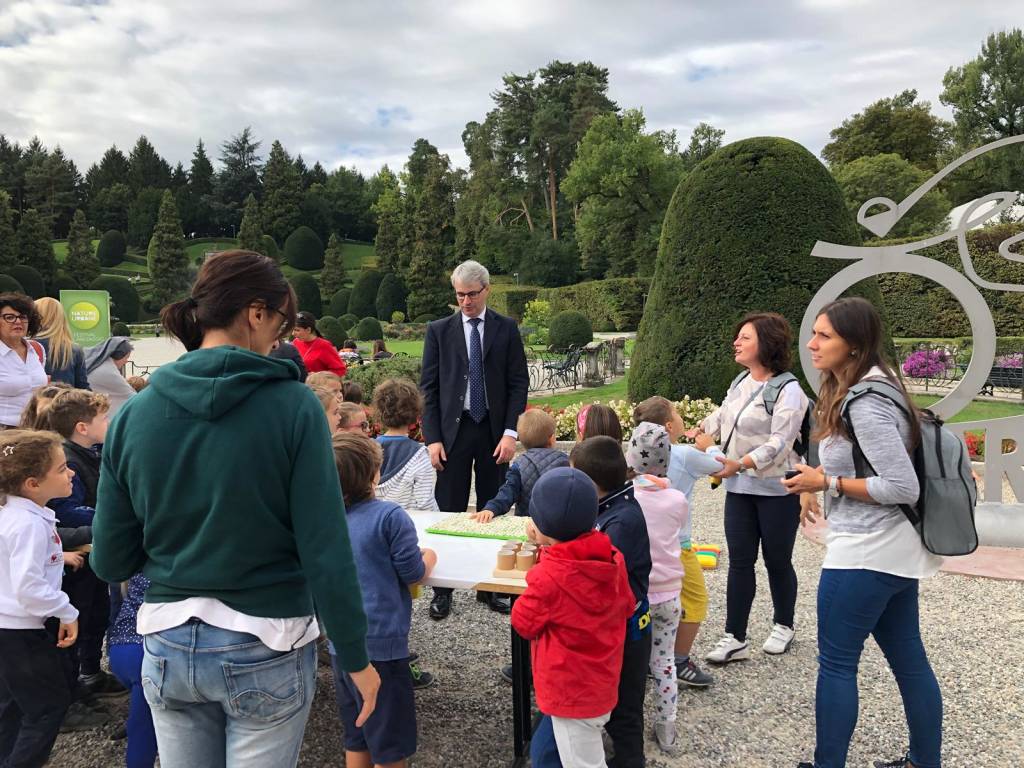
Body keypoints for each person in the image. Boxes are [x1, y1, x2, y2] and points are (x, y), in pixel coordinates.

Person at [90, 250, 379, 768]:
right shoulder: (294, 408)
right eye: (283, 324)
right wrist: (356, 657)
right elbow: (325, 546)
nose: (283, 339)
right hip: (266, 639)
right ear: (256, 312)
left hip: (167, 640)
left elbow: (110, 560)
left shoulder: (134, 414)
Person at [786, 297, 943, 768]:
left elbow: (900, 486)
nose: (811, 344)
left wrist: (825, 482)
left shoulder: (866, 404)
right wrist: (818, 478)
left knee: (836, 665)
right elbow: (864, 460)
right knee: (909, 659)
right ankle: (924, 761)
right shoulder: (879, 385)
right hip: (895, 550)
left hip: (864, 554)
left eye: (824, 336)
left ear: (854, 346)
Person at [419, 260, 528, 620]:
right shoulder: (439, 330)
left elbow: (517, 383)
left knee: (492, 507)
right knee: (449, 508)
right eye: (459, 295)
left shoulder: (506, 329)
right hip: (454, 430)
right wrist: (432, 438)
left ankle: (490, 586)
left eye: (471, 294)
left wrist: (511, 432)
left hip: (494, 432)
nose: (465, 301)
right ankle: (443, 589)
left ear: (487, 290)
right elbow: (429, 389)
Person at [697, 312, 809, 664]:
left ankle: (784, 624)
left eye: (745, 337)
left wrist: (741, 463)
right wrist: (695, 430)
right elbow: (722, 416)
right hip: (740, 489)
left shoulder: (790, 391)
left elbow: (780, 442)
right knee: (741, 562)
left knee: (778, 561)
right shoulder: (740, 382)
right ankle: (735, 636)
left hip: (777, 489)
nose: (737, 342)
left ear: (767, 343)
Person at [513, 467, 635, 768]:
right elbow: (627, 604)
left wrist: (543, 553)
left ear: (541, 527)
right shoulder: (613, 556)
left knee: (583, 762)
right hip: (601, 678)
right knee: (545, 752)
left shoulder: (549, 577)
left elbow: (523, 622)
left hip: (570, 692)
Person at [330, 432, 437, 768]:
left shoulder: (324, 520)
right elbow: (413, 572)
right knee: (390, 746)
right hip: (383, 648)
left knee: (357, 732)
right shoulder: (390, 517)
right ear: (374, 474)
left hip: (341, 645)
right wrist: (430, 557)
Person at [570, 436, 652, 768]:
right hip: (616, 628)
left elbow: (600, 575)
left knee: (625, 711)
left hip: (629, 632)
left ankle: (632, 760)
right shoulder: (608, 506)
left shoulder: (622, 520)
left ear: (591, 483)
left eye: (575, 477)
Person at [0, 429, 80, 768]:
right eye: (62, 469)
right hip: (21, 632)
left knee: (14, 704)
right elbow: (29, 587)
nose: (71, 472)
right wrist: (67, 611)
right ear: (33, 483)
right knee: (47, 707)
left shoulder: (16, 516)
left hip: (8, 627)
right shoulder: (27, 524)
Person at [45, 389, 127, 702]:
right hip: (77, 555)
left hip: (94, 551)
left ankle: (91, 673)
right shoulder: (67, 462)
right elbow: (65, 511)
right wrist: (112, 516)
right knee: (76, 617)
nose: (108, 422)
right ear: (82, 427)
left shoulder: (93, 453)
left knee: (97, 613)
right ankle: (71, 692)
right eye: (103, 418)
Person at [632, 396, 719, 688]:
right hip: (677, 545)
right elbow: (723, 467)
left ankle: (644, 657)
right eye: (678, 413)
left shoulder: (634, 455)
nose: (682, 418)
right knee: (695, 601)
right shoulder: (684, 454)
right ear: (669, 426)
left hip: (645, 542)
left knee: (647, 598)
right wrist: (710, 446)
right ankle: (679, 660)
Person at [624, 423, 688, 754]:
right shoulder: (677, 499)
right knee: (663, 661)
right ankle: (666, 725)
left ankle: (621, 723)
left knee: (627, 664)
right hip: (669, 594)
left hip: (636, 596)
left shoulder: (626, 497)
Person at [473, 408, 569, 522]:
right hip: (558, 523)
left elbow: (508, 491)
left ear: (522, 441)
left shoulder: (519, 465)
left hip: (527, 523)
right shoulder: (565, 461)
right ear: (552, 438)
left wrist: (491, 508)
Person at [108, 573, 158, 768]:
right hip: (147, 654)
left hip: (121, 650)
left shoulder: (135, 568)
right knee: (144, 732)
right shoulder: (172, 568)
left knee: (143, 720)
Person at [373, 378, 439, 513]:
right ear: (416, 413)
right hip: (408, 524)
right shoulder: (420, 454)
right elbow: (425, 501)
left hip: (375, 521)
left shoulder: (367, 449)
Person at [0, 293, 48, 429]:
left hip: (35, 430)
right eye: (9, 317)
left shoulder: (37, 349)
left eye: (23, 317)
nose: (17, 321)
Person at [33, 297, 90, 388]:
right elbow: (82, 387)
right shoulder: (73, 349)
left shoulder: (25, 346)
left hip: (35, 400)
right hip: (65, 401)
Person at [84, 337, 137, 417]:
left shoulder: (101, 364)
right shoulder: (108, 370)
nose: (126, 361)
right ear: (119, 356)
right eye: (126, 357)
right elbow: (130, 395)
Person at [293, 311, 347, 377]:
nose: (293, 333)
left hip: (316, 386)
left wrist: (319, 376)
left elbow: (340, 370)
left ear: (308, 330)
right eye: (292, 330)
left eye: (297, 330)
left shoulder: (324, 345)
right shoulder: (295, 342)